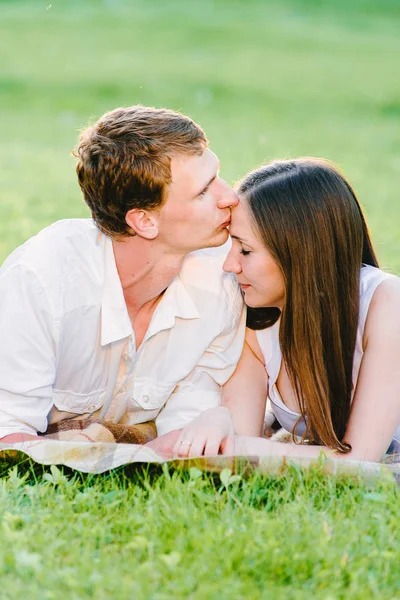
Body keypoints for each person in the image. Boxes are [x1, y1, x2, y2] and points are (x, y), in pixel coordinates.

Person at [0, 105, 245, 444]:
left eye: (218, 176)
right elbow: (8, 432)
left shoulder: (225, 279)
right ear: (144, 221)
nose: (230, 197)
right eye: (204, 191)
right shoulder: (40, 281)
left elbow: (188, 426)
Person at [171, 158, 400, 462]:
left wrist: (238, 445)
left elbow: (359, 461)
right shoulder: (256, 322)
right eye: (231, 247)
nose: (230, 265)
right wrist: (218, 422)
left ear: (302, 254)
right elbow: (235, 450)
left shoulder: (386, 304)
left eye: (246, 250)